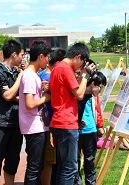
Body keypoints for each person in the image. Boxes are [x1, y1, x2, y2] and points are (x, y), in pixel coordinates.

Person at [49, 43, 96, 185]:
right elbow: (80, 94)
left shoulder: (57, 67)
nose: (81, 67)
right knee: (70, 168)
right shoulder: (65, 69)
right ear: (78, 57)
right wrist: (86, 75)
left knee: (63, 167)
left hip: (58, 122)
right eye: (82, 63)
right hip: (66, 123)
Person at [0, 39, 24, 185]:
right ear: (13, 55)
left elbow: (16, 96)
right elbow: (7, 96)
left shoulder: (14, 73)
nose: (23, 58)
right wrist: (19, 79)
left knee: (12, 164)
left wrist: (14, 93)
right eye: (21, 54)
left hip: (15, 124)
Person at [19, 40, 51, 185]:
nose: (48, 60)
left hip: (37, 126)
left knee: (37, 167)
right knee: (34, 167)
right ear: (41, 57)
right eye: (47, 57)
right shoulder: (30, 76)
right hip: (34, 128)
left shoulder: (34, 75)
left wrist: (42, 90)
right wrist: (46, 98)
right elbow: (30, 103)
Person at [38, 49, 66, 185]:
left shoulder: (41, 74)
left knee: (48, 158)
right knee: (52, 158)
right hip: (54, 120)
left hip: (47, 120)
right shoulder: (52, 74)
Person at [74, 71, 107, 185]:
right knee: (75, 162)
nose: (100, 91)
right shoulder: (79, 93)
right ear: (93, 84)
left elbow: (97, 110)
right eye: (100, 87)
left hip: (91, 131)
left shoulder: (93, 97)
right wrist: (76, 121)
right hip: (77, 132)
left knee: (90, 161)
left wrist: (99, 126)